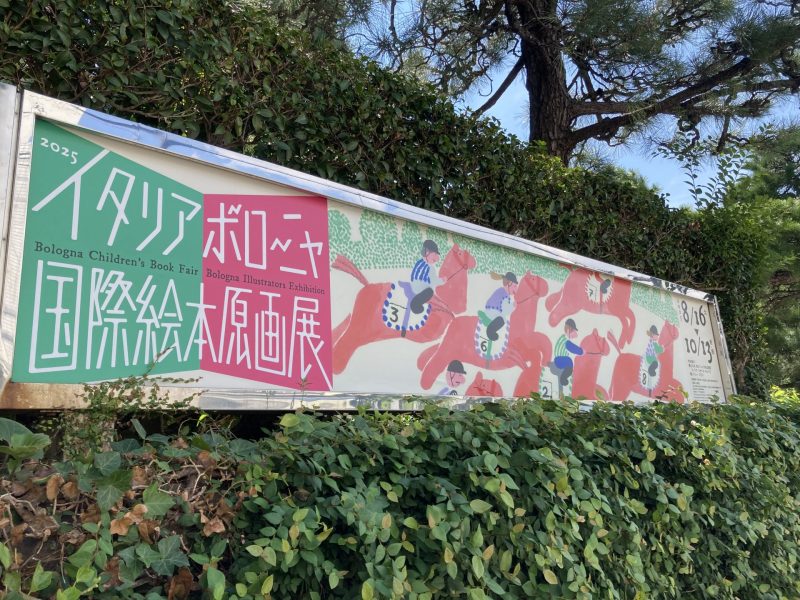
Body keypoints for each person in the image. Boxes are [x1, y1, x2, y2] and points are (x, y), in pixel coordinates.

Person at [480, 272, 518, 341]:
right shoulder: (504, 294)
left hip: (492, 310)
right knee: (502, 319)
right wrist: (513, 306)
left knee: (502, 317)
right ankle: (490, 331)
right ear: (509, 283)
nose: (516, 289)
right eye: (515, 286)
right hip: (493, 311)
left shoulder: (502, 291)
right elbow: (505, 310)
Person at [408, 240, 442, 314]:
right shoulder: (430, 268)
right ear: (427, 253)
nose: (436, 258)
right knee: (430, 291)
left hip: (414, 285)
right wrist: (443, 281)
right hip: (421, 289)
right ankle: (417, 303)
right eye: (435, 254)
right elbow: (434, 281)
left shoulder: (419, 262)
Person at [551, 318, 584, 387]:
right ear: (569, 330)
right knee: (569, 362)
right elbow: (572, 348)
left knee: (568, 361)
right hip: (560, 359)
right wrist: (581, 351)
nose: (575, 334)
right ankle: (563, 378)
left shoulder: (563, 337)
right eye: (573, 331)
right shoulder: (566, 340)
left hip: (558, 359)